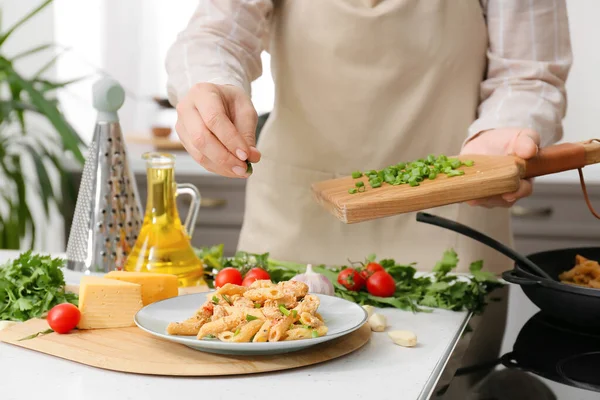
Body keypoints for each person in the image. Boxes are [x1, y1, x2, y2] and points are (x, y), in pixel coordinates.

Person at [165, 0, 572, 397]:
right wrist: (210, 85)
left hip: (450, 219)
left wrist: (505, 131)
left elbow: (529, 74)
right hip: (293, 222)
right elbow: (215, 34)